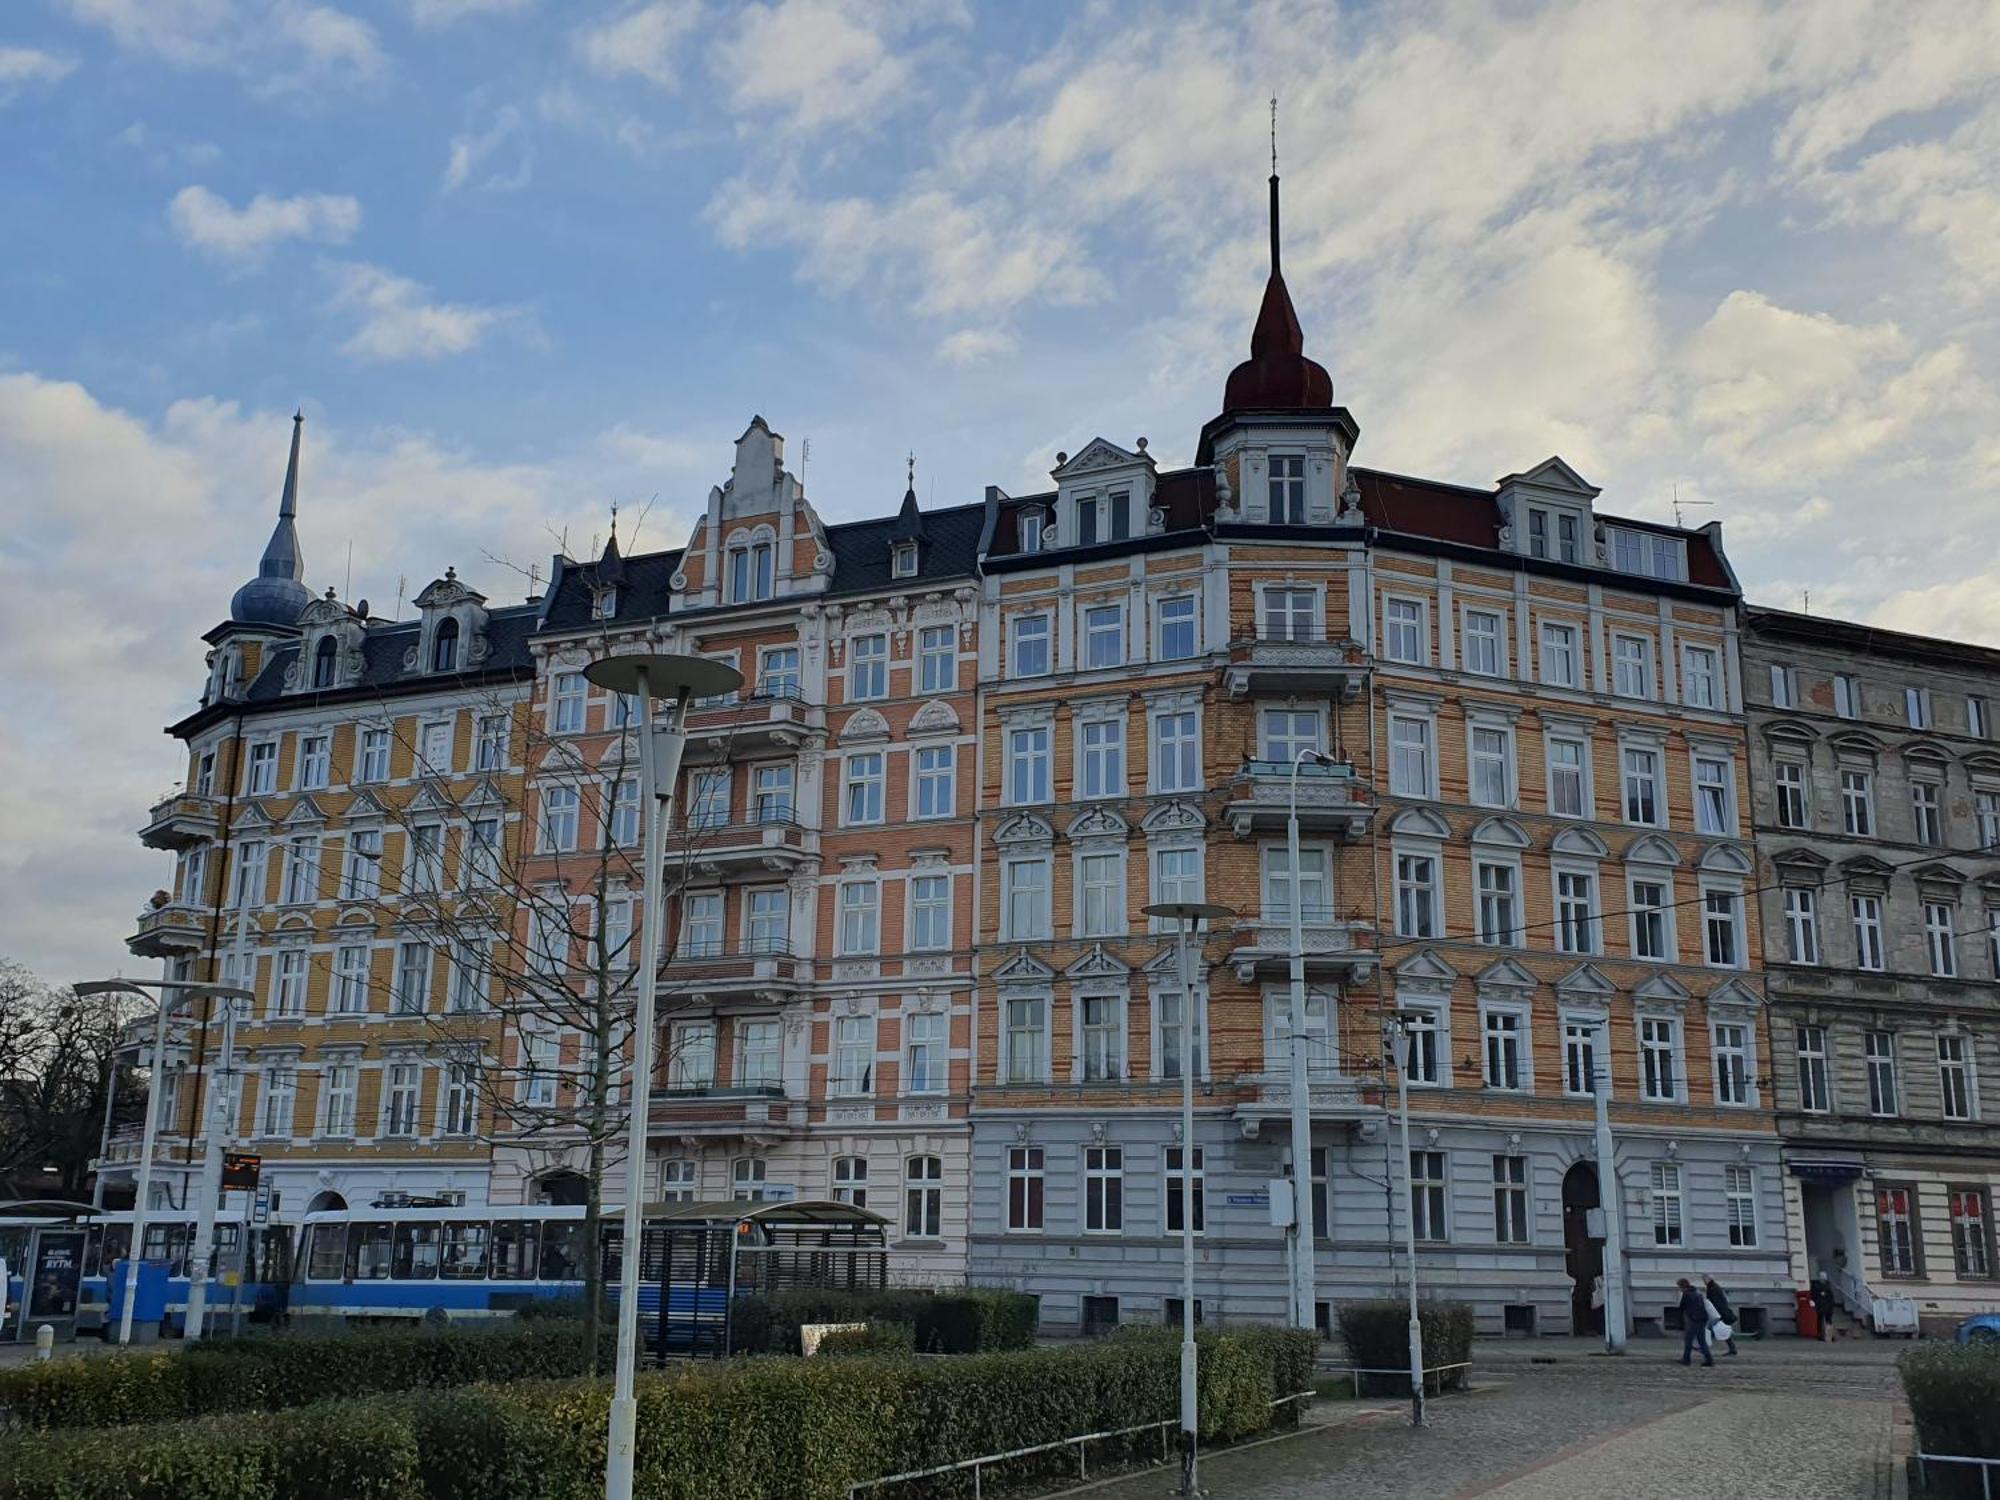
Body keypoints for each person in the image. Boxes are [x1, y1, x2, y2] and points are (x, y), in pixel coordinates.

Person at [1676, 1277, 1713, 1366]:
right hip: (1702, 1318)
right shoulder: (1697, 1293)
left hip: (1693, 1319)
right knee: (1701, 1340)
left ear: (1682, 1286)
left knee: (1688, 1340)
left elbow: (1682, 1307)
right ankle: (1709, 1360)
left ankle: (1686, 1359)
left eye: (1679, 1287)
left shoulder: (1686, 1294)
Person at [1703, 1275, 1739, 1356]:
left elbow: (1716, 1302)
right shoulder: (1713, 1287)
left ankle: (1704, 1346)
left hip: (1719, 1313)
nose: (1704, 1281)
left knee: (1710, 1329)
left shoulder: (1713, 1288)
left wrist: (1715, 1313)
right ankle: (1732, 1348)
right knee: (1721, 1330)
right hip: (1720, 1312)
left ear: (1709, 1279)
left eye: (1705, 1279)